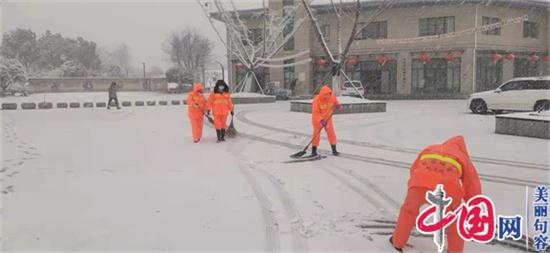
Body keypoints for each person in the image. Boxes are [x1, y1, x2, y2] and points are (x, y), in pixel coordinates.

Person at [390, 135, 481, 253]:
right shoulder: (462, 157)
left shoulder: (430, 148)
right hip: (448, 190)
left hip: (419, 185)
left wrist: (416, 183)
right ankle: (455, 251)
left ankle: (398, 241)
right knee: (455, 218)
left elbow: (414, 168)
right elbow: (472, 183)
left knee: (408, 210)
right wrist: (474, 203)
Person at [311, 85, 342, 156]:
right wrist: (321, 120)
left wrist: (338, 106)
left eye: (326, 97)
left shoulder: (332, 98)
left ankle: (334, 150)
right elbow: (315, 112)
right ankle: (314, 151)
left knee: (331, 134)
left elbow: (337, 104)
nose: (325, 98)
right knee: (316, 135)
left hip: (328, 119)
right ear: (321, 95)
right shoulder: (317, 99)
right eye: (323, 97)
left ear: (329, 95)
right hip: (317, 120)